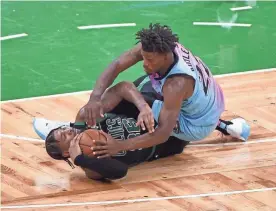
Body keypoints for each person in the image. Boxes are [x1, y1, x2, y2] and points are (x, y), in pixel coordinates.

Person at [78, 23, 250, 159]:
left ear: (166, 56)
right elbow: (117, 65)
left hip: (194, 124)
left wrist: (119, 146)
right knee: (140, 88)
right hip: (207, 103)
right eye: (143, 56)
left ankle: (76, 128)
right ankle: (222, 125)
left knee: (126, 97)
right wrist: (94, 98)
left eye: (149, 59)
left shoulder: (176, 84)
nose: (144, 62)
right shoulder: (159, 47)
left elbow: (162, 134)